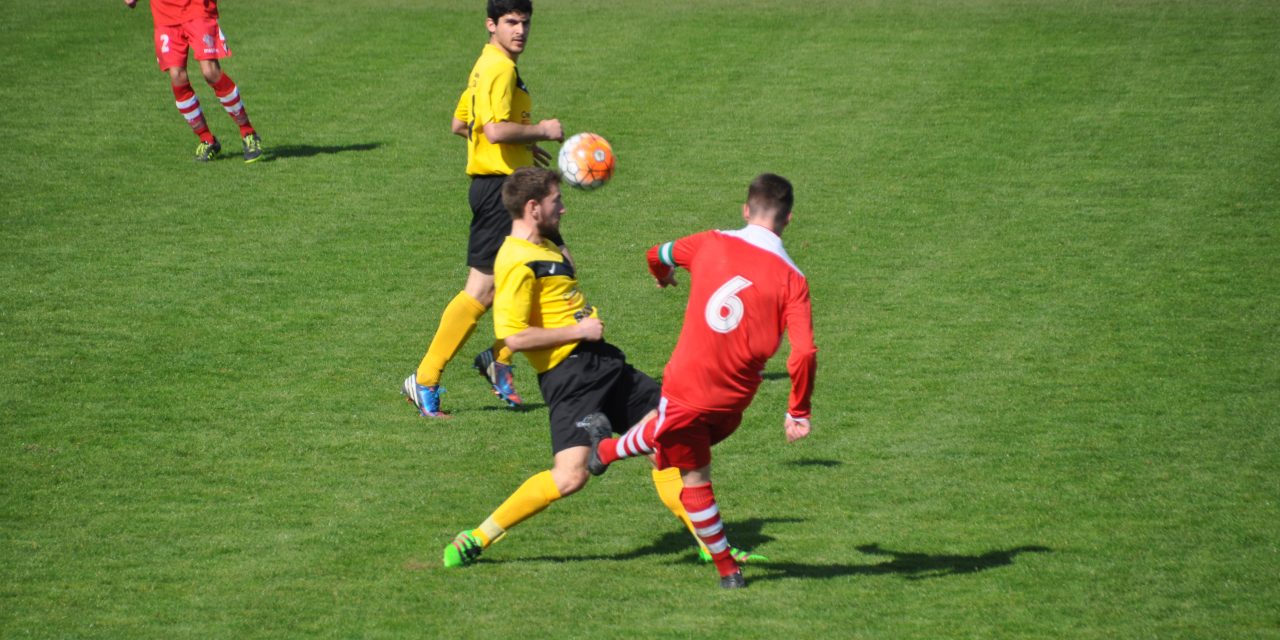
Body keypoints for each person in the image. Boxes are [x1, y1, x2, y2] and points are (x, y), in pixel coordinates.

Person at [441, 167, 758, 569]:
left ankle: (711, 545)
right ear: (533, 207)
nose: (564, 208)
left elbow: (565, 271)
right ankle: (478, 537)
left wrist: (557, 241)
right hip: (570, 377)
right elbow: (514, 337)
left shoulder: (545, 245)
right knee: (570, 477)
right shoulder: (516, 262)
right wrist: (579, 329)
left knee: (669, 439)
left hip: (603, 362)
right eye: (557, 201)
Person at [584, 173, 818, 589]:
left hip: (688, 385)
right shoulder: (793, 279)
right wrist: (797, 411)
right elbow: (804, 354)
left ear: (746, 209)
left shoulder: (710, 242)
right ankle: (604, 450)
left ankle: (728, 571)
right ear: (788, 219)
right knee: (673, 437)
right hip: (734, 402)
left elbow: (657, 253)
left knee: (691, 472)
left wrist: (661, 275)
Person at [402, 0, 568, 418]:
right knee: (484, 289)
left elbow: (462, 124)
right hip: (500, 191)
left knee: (552, 270)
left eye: (525, 22)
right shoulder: (499, 68)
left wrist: (521, 145)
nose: (520, 30)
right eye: (511, 22)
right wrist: (542, 130)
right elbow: (492, 131)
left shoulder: (485, 65)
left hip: (512, 187)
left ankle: (498, 358)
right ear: (491, 24)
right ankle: (427, 377)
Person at [124, 0, 264, 163]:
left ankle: (248, 133)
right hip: (165, 15)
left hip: (197, 8)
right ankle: (207, 140)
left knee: (210, 72)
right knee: (177, 76)